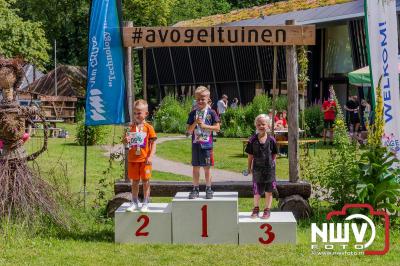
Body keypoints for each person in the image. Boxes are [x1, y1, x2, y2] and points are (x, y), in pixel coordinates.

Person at [187, 86, 220, 199]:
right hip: (196, 144)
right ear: (195, 99)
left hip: (207, 145)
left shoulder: (212, 112)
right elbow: (188, 131)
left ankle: (208, 188)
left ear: (208, 99)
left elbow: (217, 128)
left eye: (203, 99)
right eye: (198, 99)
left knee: (207, 167)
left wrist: (205, 126)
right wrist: (195, 122)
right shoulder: (192, 114)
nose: (200, 101)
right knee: (195, 167)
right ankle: (195, 188)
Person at [124, 99, 157, 212]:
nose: (136, 115)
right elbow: (125, 142)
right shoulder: (130, 127)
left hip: (145, 160)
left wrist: (150, 156)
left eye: (139, 113)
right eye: (135, 113)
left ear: (146, 114)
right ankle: (134, 202)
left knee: (146, 181)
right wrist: (126, 140)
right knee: (135, 182)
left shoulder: (149, 128)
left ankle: (146, 202)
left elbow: (153, 144)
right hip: (133, 160)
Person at [245, 114, 278, 219]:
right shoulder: (252, 140)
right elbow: (250, 156)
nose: (261, 126)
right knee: (257, 191)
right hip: (257, 170)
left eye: (263, 124)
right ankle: (256, 208)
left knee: (269, 191)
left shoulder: (272, 140)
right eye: (258, 124)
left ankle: (267, 209)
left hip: (269, 170)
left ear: (268, 125)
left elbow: (274, 154)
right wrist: (249, 168)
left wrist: (273, 164)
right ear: (256, 126)